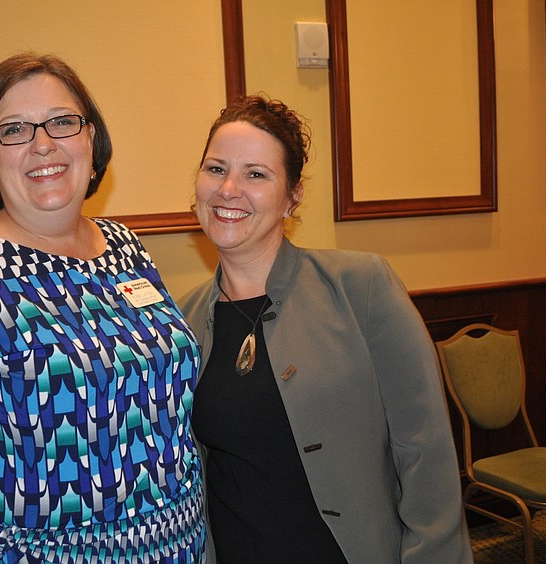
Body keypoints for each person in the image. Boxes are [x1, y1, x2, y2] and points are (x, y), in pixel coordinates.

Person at [0, 52, 206, 563]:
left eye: (62, 122)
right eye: (14, 130)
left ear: (91, 139)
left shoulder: (126, 248)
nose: (43, 143)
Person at [179, 95, 473, 563]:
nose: (229, 188)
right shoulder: (182, 320)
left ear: (292, 195)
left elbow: (425, 451)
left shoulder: (362, 287)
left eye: (256, 174)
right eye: (216, 169)